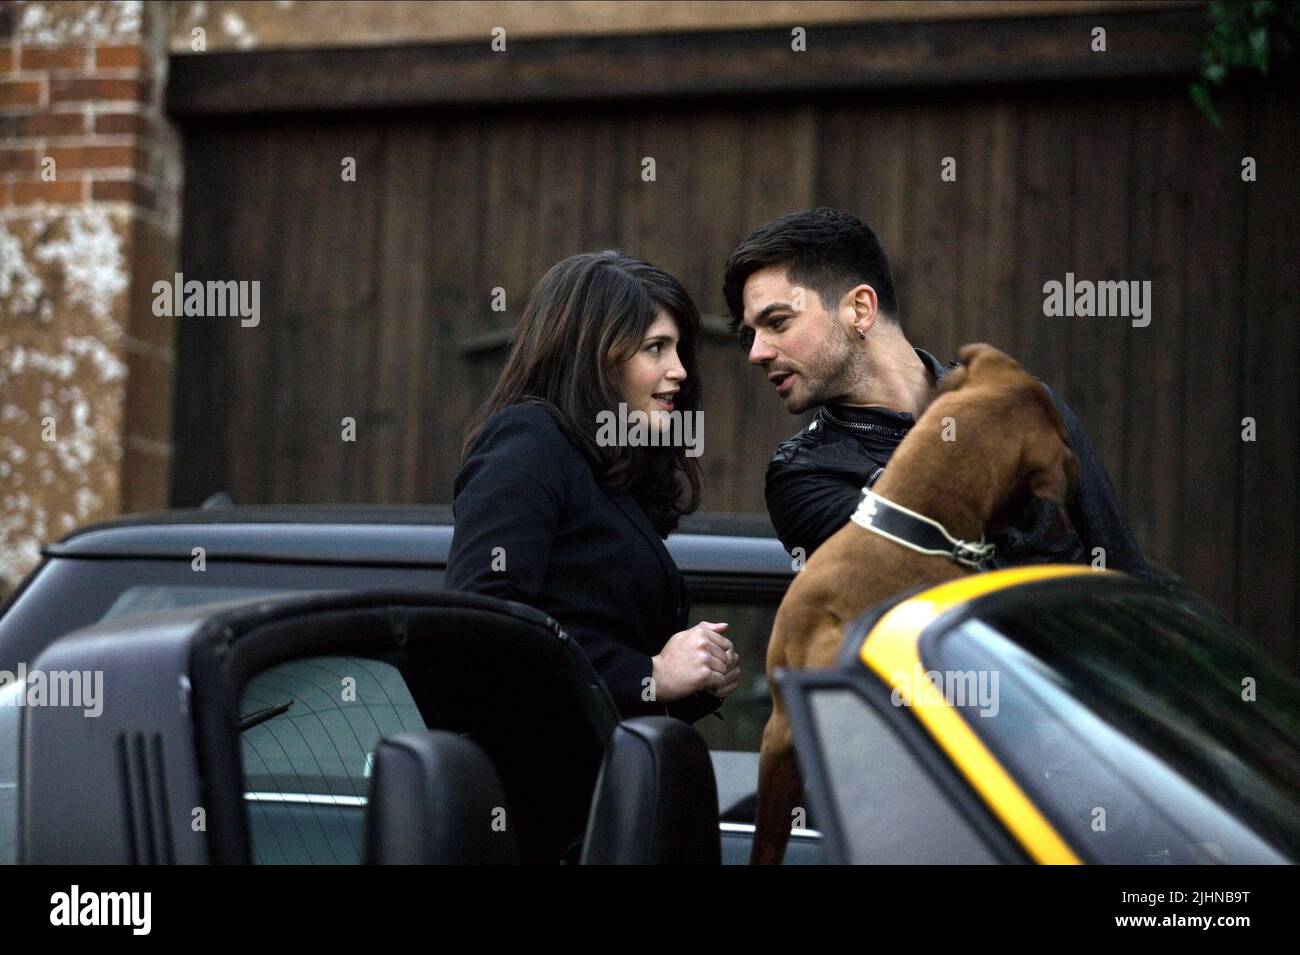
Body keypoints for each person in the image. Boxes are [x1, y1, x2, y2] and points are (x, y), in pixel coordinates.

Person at [722, 207, 1159, 579]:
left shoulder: (1023, 402)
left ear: (859, 308)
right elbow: (953, 586)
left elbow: (1122, 570)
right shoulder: (806, 475)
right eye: (749, 335)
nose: (756, 353)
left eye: (777, 322)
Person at [447, 250, 740, 722]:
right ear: (593, 356)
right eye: (656, 347)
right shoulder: (529, 441)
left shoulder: (605, 466)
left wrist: (694, 683)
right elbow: (483, 622)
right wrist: (651, 672)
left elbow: (596, 640)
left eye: (679, 348)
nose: (680, 371)